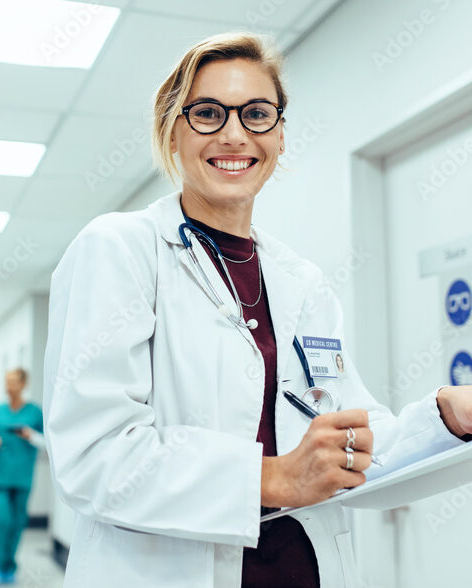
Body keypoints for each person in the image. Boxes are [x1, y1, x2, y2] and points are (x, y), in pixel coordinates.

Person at [42, 31, 472, 588]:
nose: (235, 133)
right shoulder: (119, 249)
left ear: (281, 135)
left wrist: (446, 416)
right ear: (172, 131)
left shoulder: (304, 282)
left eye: (257, 113)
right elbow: (92, 456)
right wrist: (272, 479)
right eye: (207, 113)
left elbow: (349, 448)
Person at [0, 368, 44, 587]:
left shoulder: (35, 413)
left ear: (24, 384)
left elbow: (47, 442)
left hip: (22, 477)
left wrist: (30, 435)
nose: (9, 386)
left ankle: (8, 566)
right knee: (1, 519)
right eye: (7, 381)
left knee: (17, 522)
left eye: (14, 382)